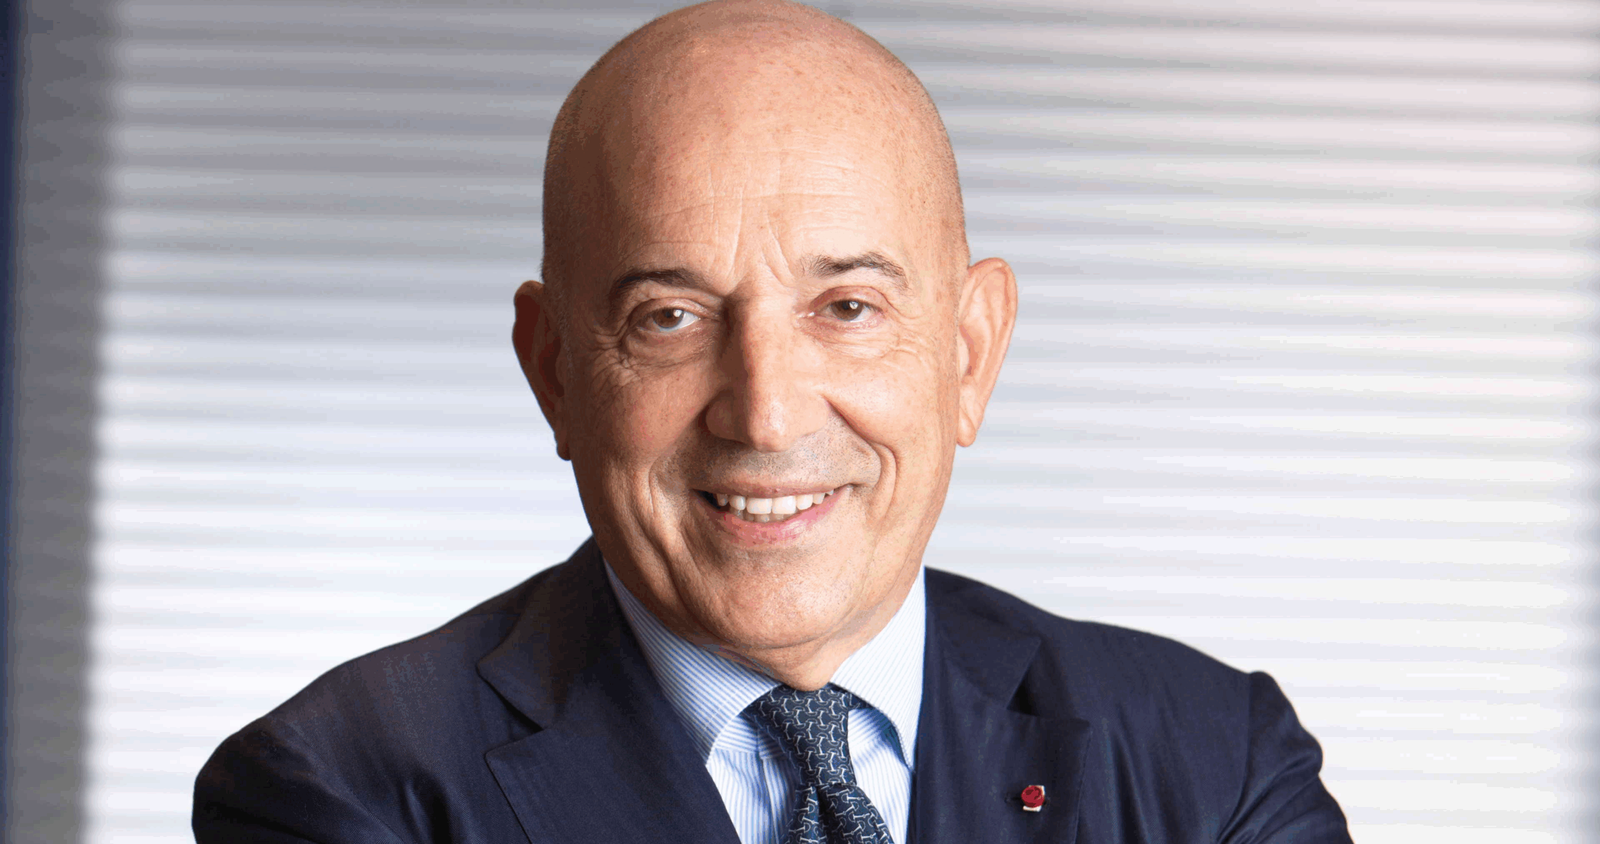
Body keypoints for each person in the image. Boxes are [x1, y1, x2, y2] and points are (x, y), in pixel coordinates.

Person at [193, 1, 1353, 842]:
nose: (765, 410)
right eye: (669, 317)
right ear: (552, 373)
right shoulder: (343, 788)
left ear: (968, 354)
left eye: (847, 308)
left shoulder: (1216, 763)